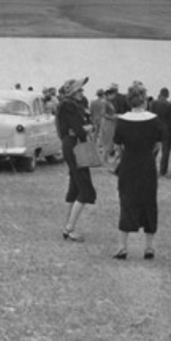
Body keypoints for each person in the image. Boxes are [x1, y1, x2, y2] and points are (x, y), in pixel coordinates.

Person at [111, 83, 162, 259]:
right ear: (144, 100)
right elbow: (157, 145)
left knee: (126, 201)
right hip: (147, 164)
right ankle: (149, 247)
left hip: (128, 164)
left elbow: (117, 146)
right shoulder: (154, 120)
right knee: (149, 202)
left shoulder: (122, 120)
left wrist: (124, 155)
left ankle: (122, 247)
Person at [56, 77, 95, 242]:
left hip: (71, 145)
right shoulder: (69, 106)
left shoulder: (69, 105)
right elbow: (79, 130)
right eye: (79, 90)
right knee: (86, 190)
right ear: (71, 92)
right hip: (75, 146)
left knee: (74, 187)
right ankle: (69, 228)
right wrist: (89, 127)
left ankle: (68, 224)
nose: (82, 92)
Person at [150, 88, 171, 177]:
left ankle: (151, 168)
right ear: (168, 95)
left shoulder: (154, 103)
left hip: (155, 129)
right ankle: (163, 170)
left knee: (152, 149)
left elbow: (151, 116)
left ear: (160, 94)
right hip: (168, 130)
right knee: (166, 152)